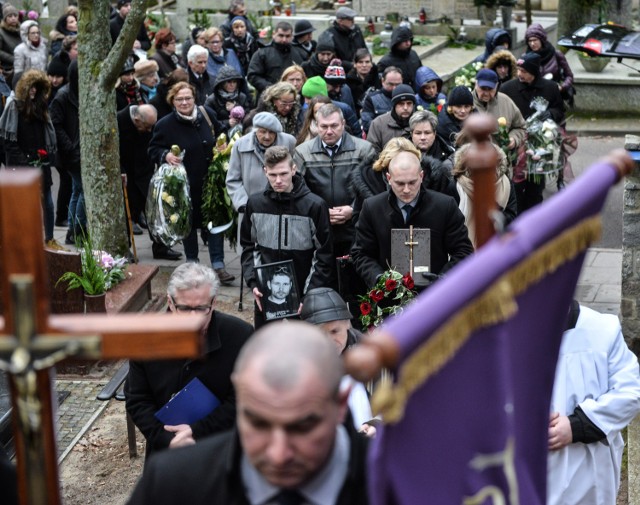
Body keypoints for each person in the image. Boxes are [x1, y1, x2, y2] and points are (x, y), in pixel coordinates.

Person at [127, 321, 369, 505]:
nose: (278, 454)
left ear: (340, 403)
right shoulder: (172, 483)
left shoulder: (395, 478)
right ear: (239, 394)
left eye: (302, 426)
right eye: (259, 424)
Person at [125, 262, 253, 459]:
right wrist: (167, 440)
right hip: (166, 451)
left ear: (214, 303)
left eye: (201, 308)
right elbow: (137, 400)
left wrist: (196, 432)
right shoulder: (145, 339)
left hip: (222, 449)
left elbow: (242, 399)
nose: (194, 318)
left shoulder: (239, 336)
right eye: (185, 308)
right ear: (170, 302)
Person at [547, 301, 640, 505]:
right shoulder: (505, 335)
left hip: (589, 473)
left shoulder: (602, 330)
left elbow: (631, 391)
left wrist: (577, 425)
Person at [148, 82, 235, 284]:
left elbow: (222, 131)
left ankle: (218, 265)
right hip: (184, 185)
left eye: (188, 98)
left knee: (215, 222)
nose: (185, 102)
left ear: (194, 98)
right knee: (188, 224)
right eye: (180, 99)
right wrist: (166, 155)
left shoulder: (207, 114)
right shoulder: (165, 124)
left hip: (211, 182)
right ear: (173, 101)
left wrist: (223, 144)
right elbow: (153, 149)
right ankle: (192, 264)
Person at [351, 148, 473, 288]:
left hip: (434, 295)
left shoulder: (445, 206)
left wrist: (443, 278)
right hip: (389, 297)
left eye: (412, 182)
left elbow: (463, 251)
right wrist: (379, 278)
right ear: (389, 179)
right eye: (400, 184)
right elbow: (361, 253)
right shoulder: (372, 208)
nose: (407, 190)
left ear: (421, 176)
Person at [240, 146, 334, 328]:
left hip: (304, 291)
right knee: (265, 344)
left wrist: (310, 294)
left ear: (293, 169)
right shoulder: (255, 203)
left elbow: (324, 255)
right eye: (272, 175)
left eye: (283, 174)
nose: (278, 180)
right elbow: (248, 247)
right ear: (265, 171)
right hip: (266, 290)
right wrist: (254, 283)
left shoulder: (314, 205)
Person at [294, 103, 376, 256]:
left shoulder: (364, 149)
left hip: (355, 227)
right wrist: (321, 212)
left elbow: (373, 187)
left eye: (334, 126)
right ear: (316, 126)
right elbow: (299, 190)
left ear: (343, 124)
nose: (329, 131)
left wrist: (353, 209)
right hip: (318, 228)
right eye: (324, 126)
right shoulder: (302, 152)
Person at [300, 287, 374, 432]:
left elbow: (389, 398)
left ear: (347, 325)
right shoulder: (298, 363)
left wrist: (375, 423)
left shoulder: (368, 353)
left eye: (334, 331)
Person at [0, 69, 60, 248]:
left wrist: (45, 156)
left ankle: (49, 239)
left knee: (48, 203)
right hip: (21, 165)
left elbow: (45, 134)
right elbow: (8, 142)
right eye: (29, 87)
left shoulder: (41, 106)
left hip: (41, 161)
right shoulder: (13, 107)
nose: (33, 90)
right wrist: (25, 163)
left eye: (35, 86)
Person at [501, 53, 565, 213]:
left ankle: (534, 220)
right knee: (515, 187)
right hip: (515, 147)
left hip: (539, 147)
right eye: (518, 70)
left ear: (534, 72)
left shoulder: (550, 88)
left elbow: (560, 111)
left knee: (535, 189)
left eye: (524, 71)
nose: (519, 74)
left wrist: (550, 113)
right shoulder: (507, 88)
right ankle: (516, 220)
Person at [118, 103, 181, 260]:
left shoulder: (149, 124)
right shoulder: (119, 120)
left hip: (145, 172)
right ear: (137, 119)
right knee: (127, 213)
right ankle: (125, 248)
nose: (148, 130)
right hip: (127, 173)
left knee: (155, 210)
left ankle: (161, 247)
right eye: (146, 127)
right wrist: (120, 170)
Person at [226, 111, 296, 213]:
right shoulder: (240, 145)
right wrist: (244, 204)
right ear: (255, 130)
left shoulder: (289, 142)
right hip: (250, 210)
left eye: (271, 132)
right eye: (262, 132)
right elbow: (233, 180)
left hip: (283, 207)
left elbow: (297, 174)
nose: (267, 136)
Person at [451, 142, 517, 248]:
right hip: (463, 248)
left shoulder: (506, 184)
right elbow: (450, 222)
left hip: (496, 246)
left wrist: (491, 207)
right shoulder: (455, 185)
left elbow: (511, 218)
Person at [50, 60, 85, 245]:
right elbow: (56, 125)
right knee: (83, 190)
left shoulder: (78, 92)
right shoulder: (62, 96)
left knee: (77, 190)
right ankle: (77, 231)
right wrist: (70, 147)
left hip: (78, 150)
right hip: (71, 153)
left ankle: (73, 230)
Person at [472, 68, 526, 157]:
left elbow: (521, 127)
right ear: (476, 84)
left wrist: (514, 139)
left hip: (501, 163)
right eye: (483, 88)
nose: (486, 93)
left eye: (490, 89)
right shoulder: (466, 104)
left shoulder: (506, 102)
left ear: (497, 86)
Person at [247, 21, 306, 96]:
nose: (284, 39)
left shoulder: (300, 53)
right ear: (274, 34)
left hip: (295, 97)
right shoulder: (262, 53)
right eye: (281, 36)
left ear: (292, 36)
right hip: (268, 96)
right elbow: (253, 76)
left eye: (287, 36)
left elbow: (306, 76)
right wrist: (274, 89)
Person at [525, 23, 575, 106]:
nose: (532, 44)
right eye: (530, 41)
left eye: (535, 40)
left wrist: (562, 87)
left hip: (555, 98)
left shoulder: (556, 54)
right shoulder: (525, 58)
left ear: (541, 40)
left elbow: (569, 76)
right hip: (534, 100)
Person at [367, 83, 416, 154]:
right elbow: (372, 152)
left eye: (409, 103)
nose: (405, 108)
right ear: (394, 105)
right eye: (401, 104)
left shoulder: (419, 122)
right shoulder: (378, 123)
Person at [205, 65, 251, 132]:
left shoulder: (242, 97)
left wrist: (236, 108)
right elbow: (208, 122)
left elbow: (248, 118)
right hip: (220, 137)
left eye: (234, 82)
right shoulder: (211, 100)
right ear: (221, 83)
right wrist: (227, 123)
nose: (232, 85)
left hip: (241, 133)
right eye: (229, 82)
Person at [320, 6, 367, 72]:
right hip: (341, 73)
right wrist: (351, 65)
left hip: (360, 69)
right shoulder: (329, 36)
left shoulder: (356, 31)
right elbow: (329, 59)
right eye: (350, 19)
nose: (353, 21)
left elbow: (364, 48)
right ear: (340, 21)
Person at [361, 66, 403, 134]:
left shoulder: (408, 97)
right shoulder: (372, 99)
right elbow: (366, 124)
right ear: (382, 81)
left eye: (398, 84)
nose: (394, 88)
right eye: (391, 84)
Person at [346, 48, 380, 116]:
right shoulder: (348, 82)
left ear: (371, 64)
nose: (364, 65)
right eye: (360, 62)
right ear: (355, 64)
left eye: (367, 62)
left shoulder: (378, 79)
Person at [0, 4, 22, 83]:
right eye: (10, 16)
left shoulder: (21, 31)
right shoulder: (1, 33)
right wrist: (14, 59)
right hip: (8, 69)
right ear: (5, 19)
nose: (13, 18)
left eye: (15, 15)